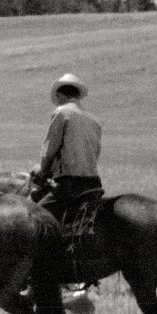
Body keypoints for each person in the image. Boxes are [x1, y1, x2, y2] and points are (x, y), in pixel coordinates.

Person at [34, 72, 102, 221]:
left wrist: (42, 169)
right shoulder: (94, 120)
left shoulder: (62, 112)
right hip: (94, 183)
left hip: (70, 184)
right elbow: (95, 152)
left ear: (60, 95)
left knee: (36, 218)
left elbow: (50, 148)